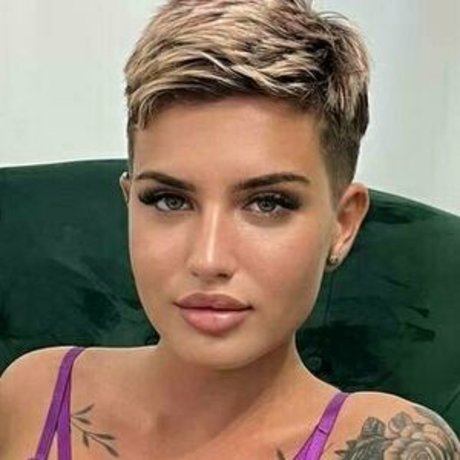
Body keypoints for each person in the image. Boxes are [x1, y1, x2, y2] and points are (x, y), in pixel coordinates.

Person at [1, 0, 459, 458]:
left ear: (342, 224)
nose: (208, 259)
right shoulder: (36, 394)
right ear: (129, 202)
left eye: (268, 203)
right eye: (169, 200)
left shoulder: (392, 443)